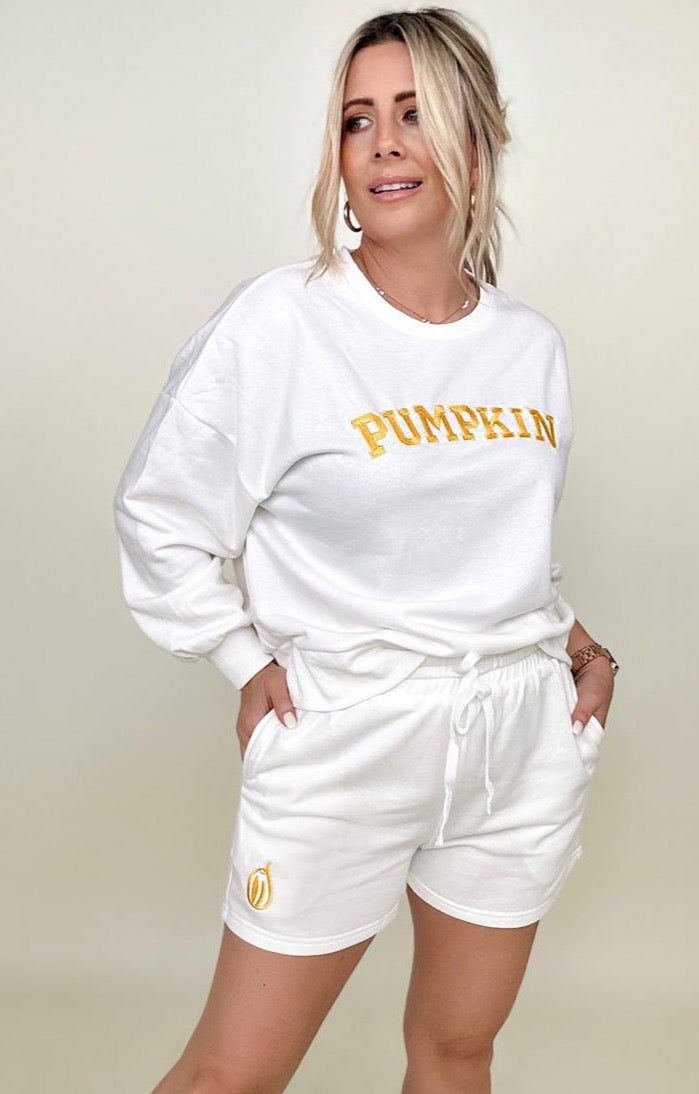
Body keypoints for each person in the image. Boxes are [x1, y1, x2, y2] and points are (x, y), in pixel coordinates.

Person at [113, 8, 617, 1092]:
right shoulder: (282, 325)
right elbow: (158, 513)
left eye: (414, 114)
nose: (383, 142)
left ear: (477, 142)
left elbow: (501, 550)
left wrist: (582, 648)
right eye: (357, 119)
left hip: (517, 740)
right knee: (229, 1075)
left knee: (457, 1051)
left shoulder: (529, 347)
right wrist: (241, 657)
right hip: (348, 738)